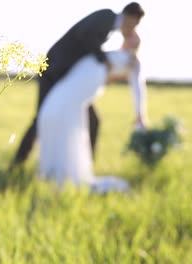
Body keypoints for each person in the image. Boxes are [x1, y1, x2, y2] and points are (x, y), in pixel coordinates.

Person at [9, 3, 146, 170]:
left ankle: (86, 167)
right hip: (53, 71)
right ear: (130, 17)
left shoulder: (109, 28)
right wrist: (104, 60)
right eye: (135, 23)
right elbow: (85, 36)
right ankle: (17, 163)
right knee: (41, 117)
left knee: (93, 121)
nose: (133, 28)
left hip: (69, 80)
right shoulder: (107, 16)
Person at [36, 34, 149, 193]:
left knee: (74, 123)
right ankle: (59, 173)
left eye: (135, 39)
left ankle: (65, 173)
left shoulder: (132, 61)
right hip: (73, 93)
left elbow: (138, 88)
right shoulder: (108, 56)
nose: (131, 41)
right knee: (71, 122)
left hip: (74, 94)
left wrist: (140, 114)